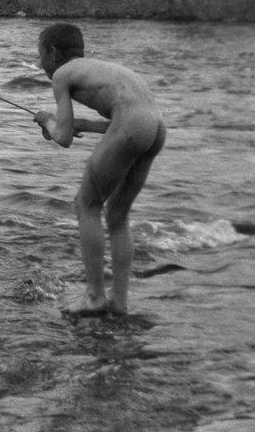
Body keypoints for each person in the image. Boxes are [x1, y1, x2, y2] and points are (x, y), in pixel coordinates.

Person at [32, 23, 165, 317]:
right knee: (117, 214)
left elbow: (63, 138)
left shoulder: (61, 75)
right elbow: (135, 119)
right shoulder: (106, 69)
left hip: (133, 125)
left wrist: (46, 121)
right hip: (156, 128)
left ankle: (94, 297)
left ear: (53, 53)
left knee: (86, 204)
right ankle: (119, 302)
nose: (40, 62)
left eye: (40, 55)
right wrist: (85, 124)